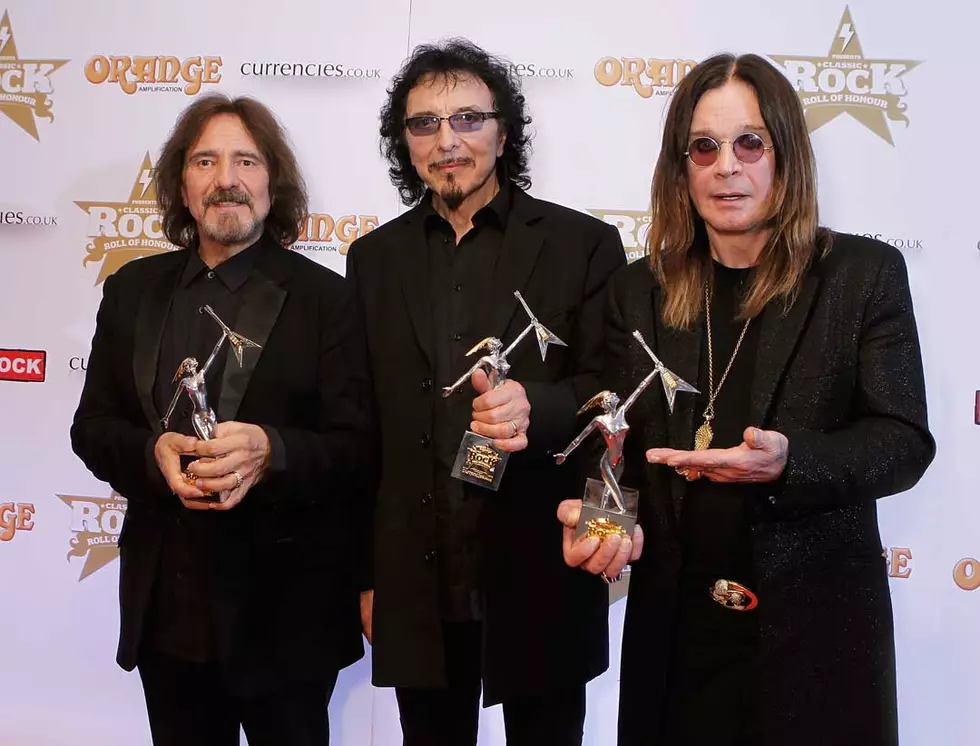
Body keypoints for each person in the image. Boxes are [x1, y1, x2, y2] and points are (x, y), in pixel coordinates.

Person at [558, 52, 935, 746]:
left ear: (784, 154)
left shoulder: (862, 275)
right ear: (681, 167)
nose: (726, 166)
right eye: (703, 146)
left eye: (748, 142)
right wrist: (607, 529)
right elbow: (623, 449)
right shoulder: (635, 291)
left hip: (815, 644)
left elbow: (903, 440)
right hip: (675, 646)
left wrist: (790, 463)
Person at [70, 93, 375, 746]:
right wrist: (153, 456)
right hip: (167, 618)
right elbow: (92, 427)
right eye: (205, 160)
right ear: (183, 182)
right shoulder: (133, 289)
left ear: (273, 182)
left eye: (246, 160)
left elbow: (360, 447)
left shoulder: (329, 299)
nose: (226, 179)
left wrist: (273, 450)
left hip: (287, 622)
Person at [347, 39, 626, 746]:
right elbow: (363, 428)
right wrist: (367, 574)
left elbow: (613, 391)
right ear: (404, 143)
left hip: (542, 567)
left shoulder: (582, 244)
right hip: (418, 578)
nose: (447, 141)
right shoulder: (372, 260)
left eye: (468, 119)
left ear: (505, 133)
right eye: (424, 124)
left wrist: (539, 406)